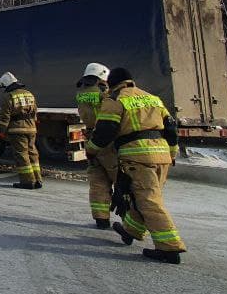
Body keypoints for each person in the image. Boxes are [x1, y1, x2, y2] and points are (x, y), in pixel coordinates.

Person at [84, 67, 185, 264]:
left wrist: (92, 149)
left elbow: (106, 130)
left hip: (138, 156)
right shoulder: (152, 98)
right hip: (162, 155)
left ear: (112, 84)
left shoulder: (115, 100)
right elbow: (171, 128)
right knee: (143, 197)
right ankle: (131, 230)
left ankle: (169, 248)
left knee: (148, 200)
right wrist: (172, 153)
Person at [76, 62, 115, 229]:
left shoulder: (81, 92)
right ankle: (131, 220)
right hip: (106, 137)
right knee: (119, 177)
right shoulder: (103, 93)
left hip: (91, 136)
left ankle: (101, 218)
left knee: (97, 180)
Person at [0, 72, 40, 189]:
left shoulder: (8, 97)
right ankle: (37, 180)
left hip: (17, 130)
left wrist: (0, 131)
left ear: (6, 85)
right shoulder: (29, 94)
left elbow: (5, 117)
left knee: (22, 155)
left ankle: (27, 182)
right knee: (32, 154)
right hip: (31, 129)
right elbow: (35, 111)